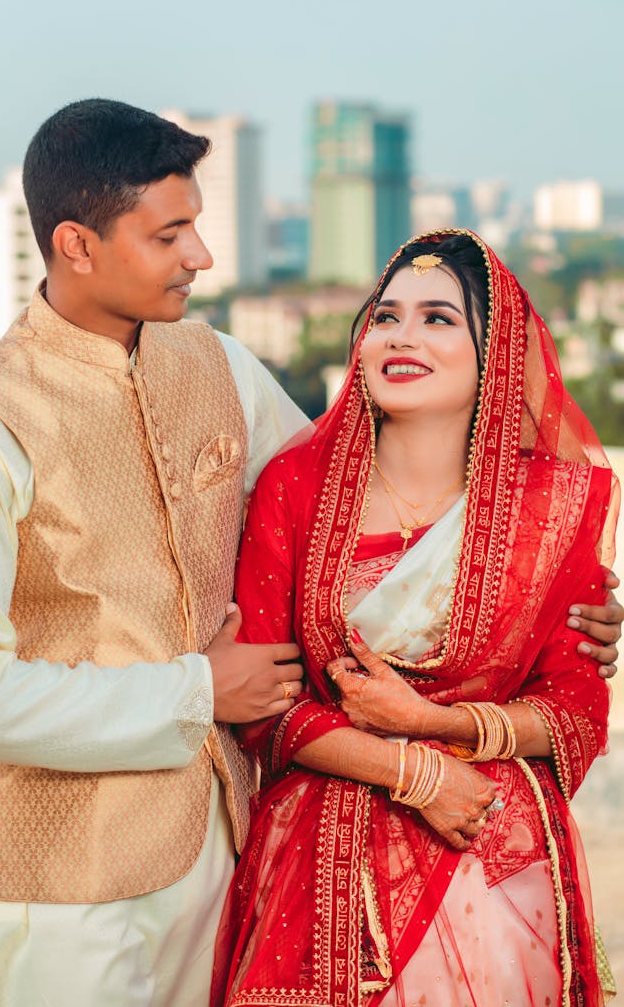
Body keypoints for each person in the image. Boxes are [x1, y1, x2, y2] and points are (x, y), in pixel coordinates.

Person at [0, 99, 309, 1007]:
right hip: (63, 888)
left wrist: (556, 595)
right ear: (76, 244)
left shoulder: (222, 365)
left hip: (224, 845)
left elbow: (337, 515)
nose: (200, 256)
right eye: (170, 235)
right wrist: (200, 690)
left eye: (197, 226)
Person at [212, 230, 618, 1006]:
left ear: (494, 353)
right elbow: (265, 705)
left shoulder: (552, 509)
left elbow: (575, 706)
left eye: (438, 318)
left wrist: (437, 721)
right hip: (320, 867)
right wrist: (413, 770)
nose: (401, 336)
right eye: (386, 315)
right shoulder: (295, 485)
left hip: (492, 859)